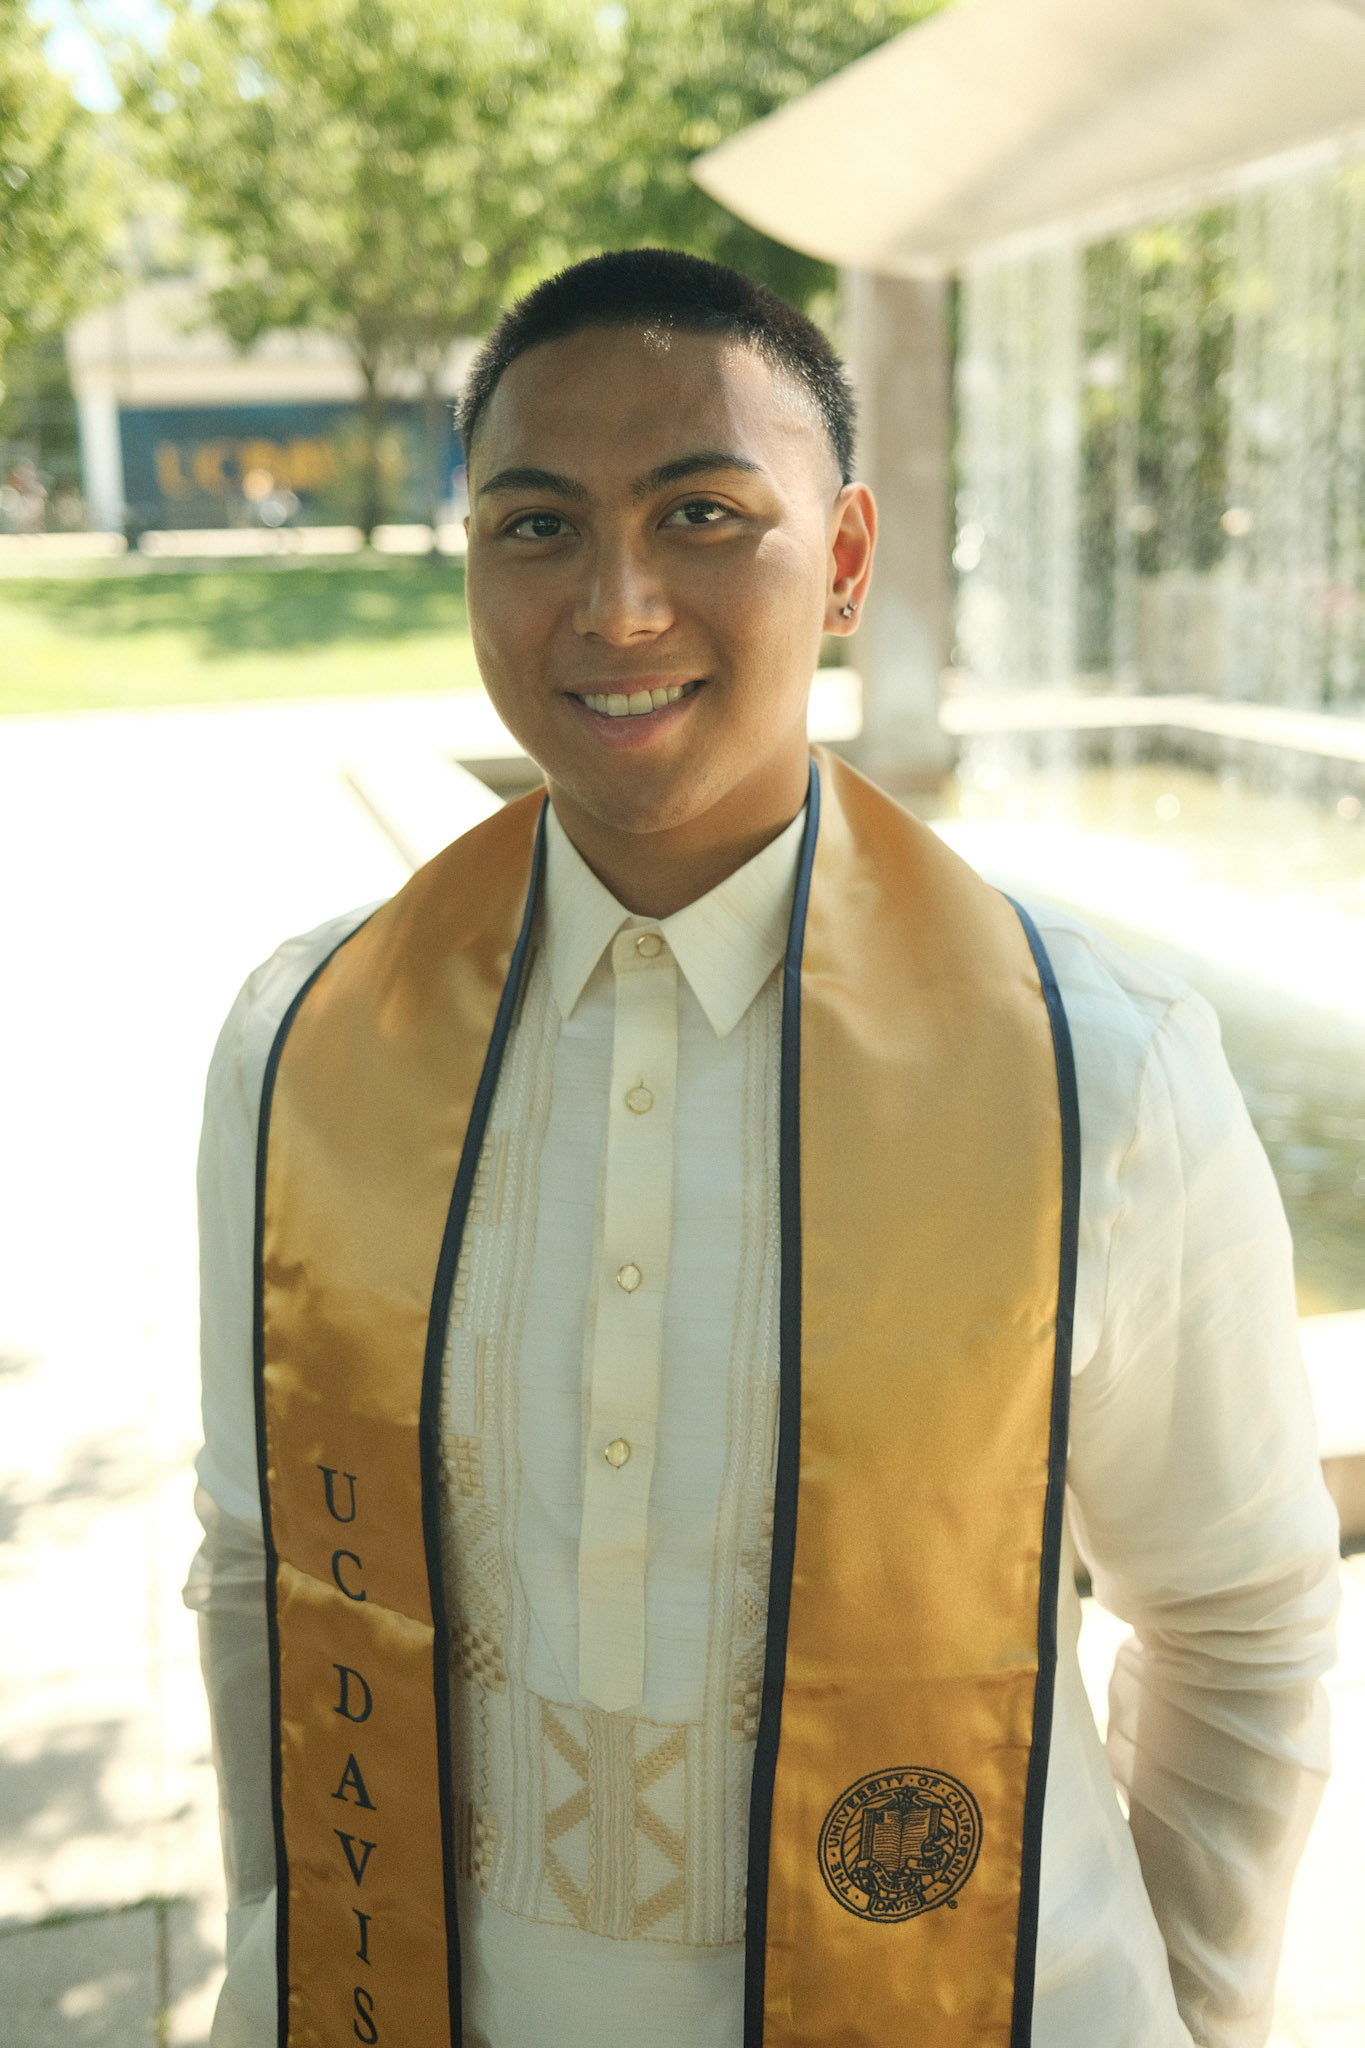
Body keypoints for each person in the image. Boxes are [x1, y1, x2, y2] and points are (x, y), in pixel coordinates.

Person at [189, 249, 1339, 2048]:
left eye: (703, 514)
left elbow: (1236, 1617)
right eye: (537, 526)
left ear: (847, 561)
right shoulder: (307, 1040)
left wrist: (1183, 2015)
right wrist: (280, 1951)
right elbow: (259, 1564)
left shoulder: (1098, 1072)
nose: (617, 605)